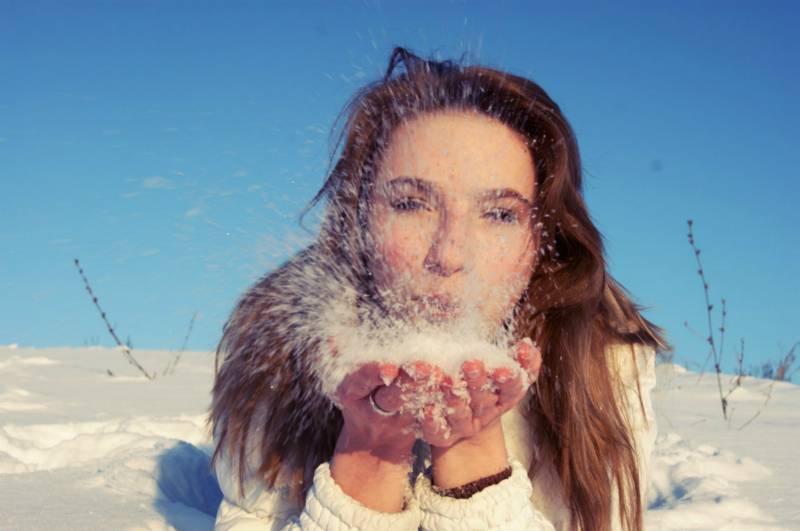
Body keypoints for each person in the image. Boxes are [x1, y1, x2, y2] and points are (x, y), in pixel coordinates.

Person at [206, 46, 672, 531]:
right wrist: (369, 459)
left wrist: (474, 464)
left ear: (541, 243)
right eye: (411, 204)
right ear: (360, 222)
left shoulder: (600, 363)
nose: (448, 255)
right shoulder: (281, 349)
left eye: (499, 214)